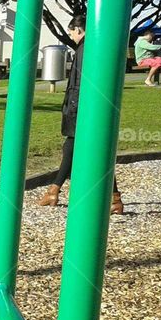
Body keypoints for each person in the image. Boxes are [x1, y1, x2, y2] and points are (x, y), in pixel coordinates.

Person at [39, 16, 124, 215]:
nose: (71, 36)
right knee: (85, 148)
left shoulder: (84, 50)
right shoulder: (94, 46)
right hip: (90, 107)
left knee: (74, 147)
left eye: (71, 32)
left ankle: (54, 190)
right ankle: (114, 198)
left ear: (79, 30)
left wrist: (73, 109)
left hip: (82, 108)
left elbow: (79, 83)